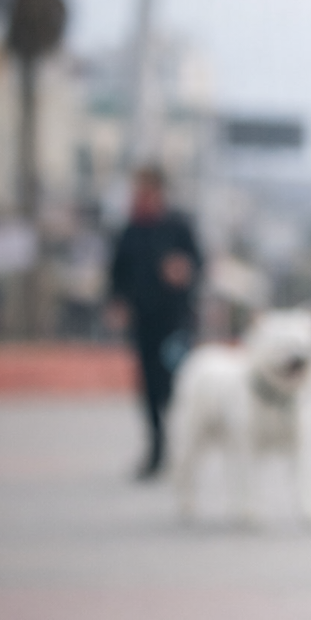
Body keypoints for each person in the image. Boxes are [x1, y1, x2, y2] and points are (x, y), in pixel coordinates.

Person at [107, 166, 202, 479]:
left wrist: (184, 272)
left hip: (176, 322)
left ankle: (186, 449)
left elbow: (199, 264)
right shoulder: (131, 230)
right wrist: (118, 302)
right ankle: (157, 451)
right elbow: (117, 273)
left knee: (176, 384)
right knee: (148, 389)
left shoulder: (178, 226)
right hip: (143, 321)